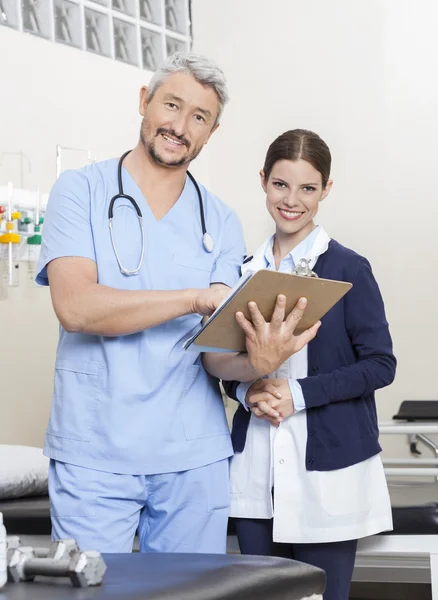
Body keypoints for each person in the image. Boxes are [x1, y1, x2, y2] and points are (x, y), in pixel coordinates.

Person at [36, 54, 318, 554]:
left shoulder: (221, 221)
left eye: (199, 117)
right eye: (172, 105)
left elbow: (214, 357)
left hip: (194, 457)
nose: (180, 126)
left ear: (211, 132)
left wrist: (261, 360)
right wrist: (192, 298)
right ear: (145, 102)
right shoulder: (80, 191)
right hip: (95, 451)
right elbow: (76, 307)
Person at [221, 129, 397, 600]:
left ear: (326, 190)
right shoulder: (240, 271)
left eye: (307, 188)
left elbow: (381, 365)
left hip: (329, 474)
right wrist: (246, 392)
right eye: (280, 184)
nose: (292, 200)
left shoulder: (348, 269)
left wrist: (297, 395)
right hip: (256, 470)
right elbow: (222, 365)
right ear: (262, 181)